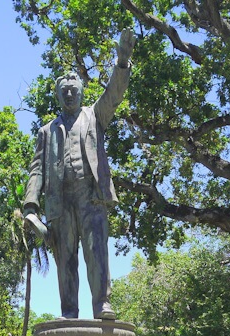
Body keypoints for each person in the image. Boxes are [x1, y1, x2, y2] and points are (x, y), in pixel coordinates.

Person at [23, 30, 135, 320]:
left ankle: (102, 306)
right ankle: (69, 313)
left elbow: (114, 94)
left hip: (91, 196)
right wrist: (30, 207)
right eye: (65, 90)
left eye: (74, 89)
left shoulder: (95, 116)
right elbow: (37, 168)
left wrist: (122, 63)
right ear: (58, 95)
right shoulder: (46, 131)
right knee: (66, 260)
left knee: (97, 252)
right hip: (60, 202)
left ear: (82, 92)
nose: (70, 93)